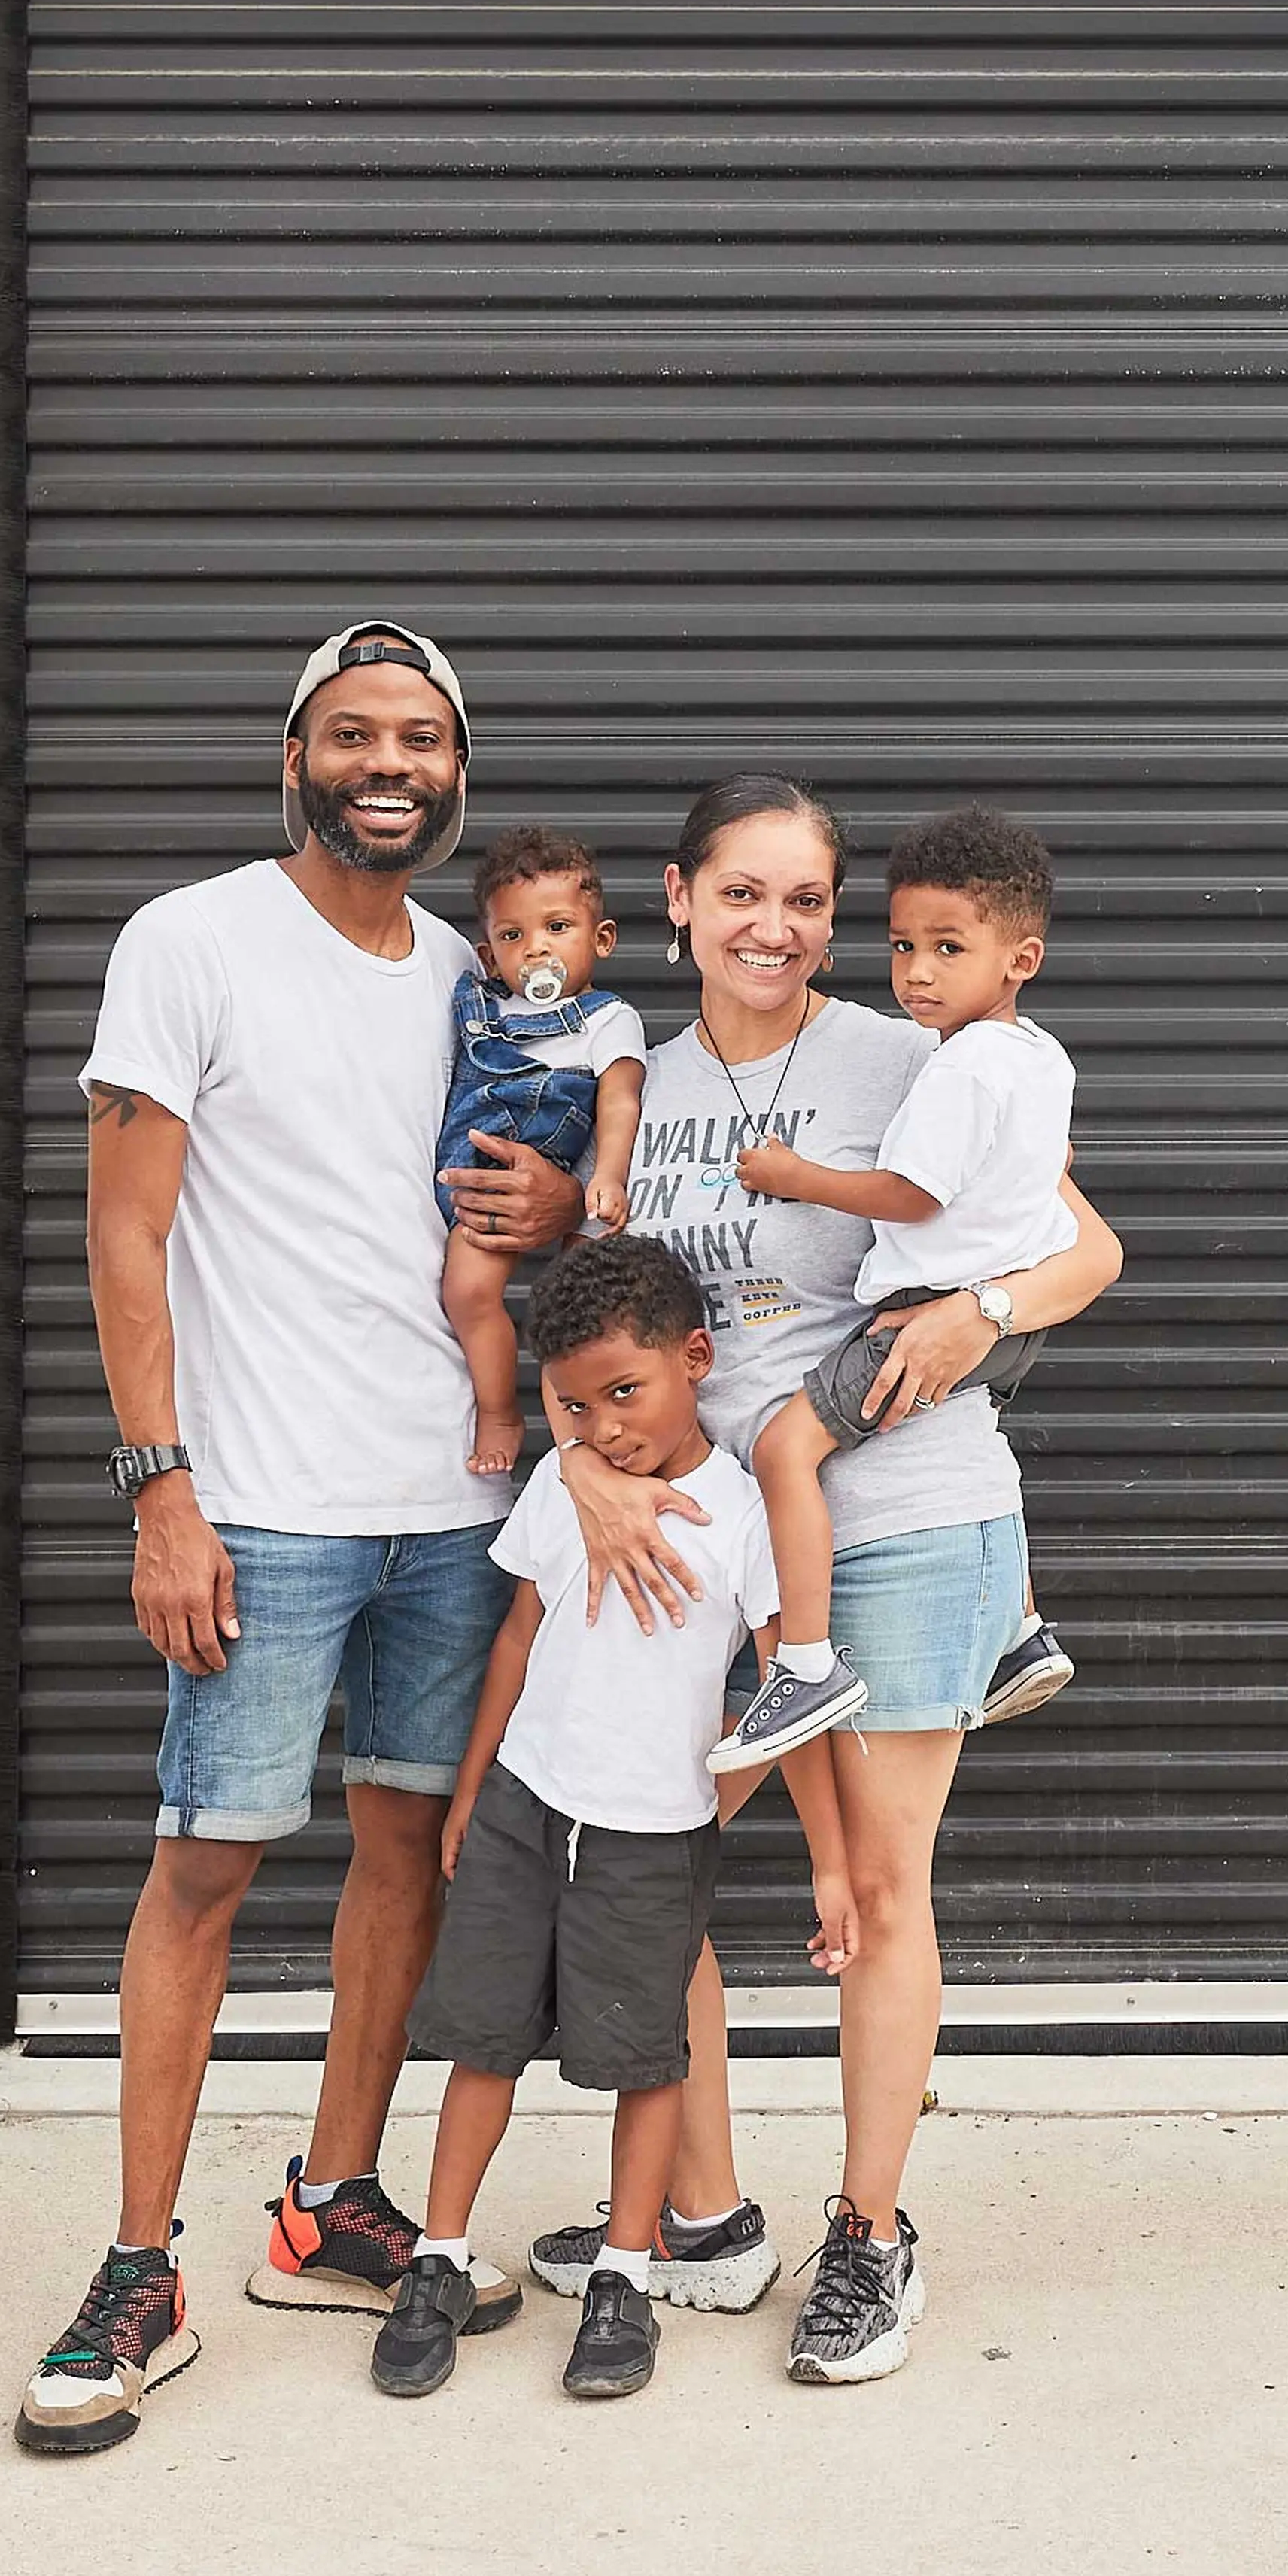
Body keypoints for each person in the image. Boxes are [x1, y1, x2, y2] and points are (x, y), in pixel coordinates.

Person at [14, 619, 582, 2458]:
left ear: (456, 771)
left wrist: (559, 1202)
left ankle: (333, 2203)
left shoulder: (475, 974)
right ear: (295, 756)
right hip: (256, 1502)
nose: (388, 763)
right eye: (353, 734)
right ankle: (137, 2270)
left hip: (451, 1504)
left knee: (406, 1851)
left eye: (421, 737)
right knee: (204, 1865)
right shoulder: (190, 941)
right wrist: (158, 1488)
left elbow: (518, 1194)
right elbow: (123, 1231)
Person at [525, 774, 1125, 2386]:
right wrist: (579, 1461)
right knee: (645, 1864)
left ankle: (867, 2231)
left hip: (904, 1515)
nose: (774, 928)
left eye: (805, 901)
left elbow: (1085, 1250)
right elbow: (585, 1318)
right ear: (677, 899)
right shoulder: (633, 1083)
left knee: (881, 1890)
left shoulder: (911, 1054)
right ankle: (705, 2217)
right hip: (700, 1541)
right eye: (742, 893)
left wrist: (978, 1315)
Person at [372, 1238, 855, 2405]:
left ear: (697, 1358)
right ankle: (439, 2259)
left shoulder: (746, 1514)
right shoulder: (562, 1483)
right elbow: (518, 1637)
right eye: (577, 1405)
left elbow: (790, 1699)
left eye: (626, 1393)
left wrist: (832, 1866)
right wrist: (472, 1788)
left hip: (654, 1834)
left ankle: (626, 2276)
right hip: (524, 1806)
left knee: (647, 2060)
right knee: (483, 2040)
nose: (604, 1427)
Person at [711, 804, 1078, 1770]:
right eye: (905, 945)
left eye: (948, 949)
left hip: (934, 1313)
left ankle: (804, 1664)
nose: (917, 972)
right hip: (997, 1313)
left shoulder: (957, 1069)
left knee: (786, 1448)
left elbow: (913, 1194)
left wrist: (798, 1176)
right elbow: (1048, 1169)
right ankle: (1021, 1631)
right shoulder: (1039, 1055)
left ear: (1020, 960)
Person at [437, 827, 648, 1475]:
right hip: (483, 1172)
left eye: (557, 928)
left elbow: (620, 1102)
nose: (536, 950)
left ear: (601, 939)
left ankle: (576, 1434)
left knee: (578, 1314)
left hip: (569, 1168)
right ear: (488, 953)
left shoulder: (607, 1019)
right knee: (467, 1293)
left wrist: (608, 1177)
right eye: (513, 936)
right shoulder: (481, 1011)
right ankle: (500, 1407)